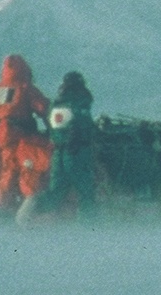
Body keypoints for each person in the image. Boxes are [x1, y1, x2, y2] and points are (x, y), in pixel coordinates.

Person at [0, 54, 50, 220]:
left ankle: (3, 208)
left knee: (0, 171)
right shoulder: (25, 87)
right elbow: (44, 108)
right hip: (12, 135)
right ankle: (14, 213)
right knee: (16, 169)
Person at [41, 70, 97, 218]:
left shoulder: (55, 105)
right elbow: (84, 126)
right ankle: (91, 228)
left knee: (55, 192)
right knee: (86, 191)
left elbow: (52, 128)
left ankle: (33, 216)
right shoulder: (79, 103)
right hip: (76, 153)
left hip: (57, 154)